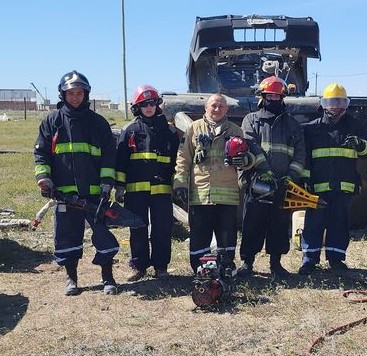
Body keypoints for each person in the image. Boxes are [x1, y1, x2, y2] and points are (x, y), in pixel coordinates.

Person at [34, 70, 119, 295]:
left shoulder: (98, 123)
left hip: (95, 195)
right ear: (63, 94)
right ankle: (71, 279)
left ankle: (108, 277)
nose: (75, 97)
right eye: (70, 93)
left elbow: (109, 156)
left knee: (103, 235)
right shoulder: (52, 122)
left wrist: (107, 183)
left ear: (86, 94)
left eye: (79, 93)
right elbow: (41, 153)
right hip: (64, 194)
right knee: (67, 237)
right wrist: (44, 179)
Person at [173, 94, 253, 274]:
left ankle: (226, 267)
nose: (217, 109)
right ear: (205, 108)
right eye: (213, 106)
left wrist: (245, 160)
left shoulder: (235, 131)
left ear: (227, 110)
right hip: (201, 195)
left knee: (227, 235)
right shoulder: (193, 129)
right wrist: (179, 184)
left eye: (221, 106)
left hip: (227, 196)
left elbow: (248, 158)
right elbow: (183, 159)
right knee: (200, 234)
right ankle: (200, 269)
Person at [298, 83, 367, 275]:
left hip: (344, 185)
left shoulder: (355, 126)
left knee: (339, 222)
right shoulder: (311, 129)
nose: (336, 106)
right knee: (313, 224)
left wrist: (360, 144)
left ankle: (336, 259)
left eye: (340, 102)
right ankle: (309, 260)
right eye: (332, 102)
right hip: (317, 186)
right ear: (324, 104)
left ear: (346, 104)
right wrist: (305, 182)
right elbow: (305, 158)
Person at [237, 76, 305, 278]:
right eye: (269, 95)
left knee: (279, 224)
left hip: (283, 184)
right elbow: (250, 145)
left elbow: (300, 154)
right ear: (262, 97)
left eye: (277, 95)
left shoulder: (293, 125)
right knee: (252, 223)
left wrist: (291, 176)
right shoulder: (251, 120)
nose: (273, 99)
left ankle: (276, 264)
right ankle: (247, 263)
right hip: (258, 183)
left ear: (283, 97)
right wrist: (264, 169)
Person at [115, 85, 180, 281]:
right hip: (136, 191)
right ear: (137, 107)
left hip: (162, 190)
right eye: (144, 104)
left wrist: (178, 185)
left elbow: (178, 160)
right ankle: (138, 266)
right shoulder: (130, 131)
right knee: (137, 228)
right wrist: (119, 186)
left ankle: (161, 266)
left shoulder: (169, 132)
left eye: (152, 103)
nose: (149, 107)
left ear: (157, 104)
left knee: (162, 228)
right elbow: (120, 162)